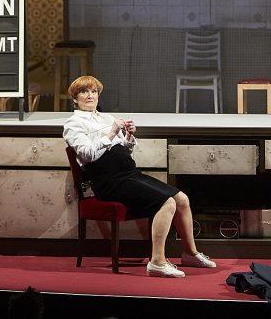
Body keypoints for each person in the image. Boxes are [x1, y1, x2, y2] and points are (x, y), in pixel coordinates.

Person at [63, 75, 215, 278]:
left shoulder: (106, 118)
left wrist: (128, 136)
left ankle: (190, 254)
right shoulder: (73, 124)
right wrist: (110, 133)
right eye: (84, 92)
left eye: (94, 91)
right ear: (75, 98)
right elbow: (87, 154)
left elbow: (124, 149)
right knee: (167, 203)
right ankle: (157, 262)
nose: (90, 96)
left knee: (182, 199)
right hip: (108, 181)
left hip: (128, 174)